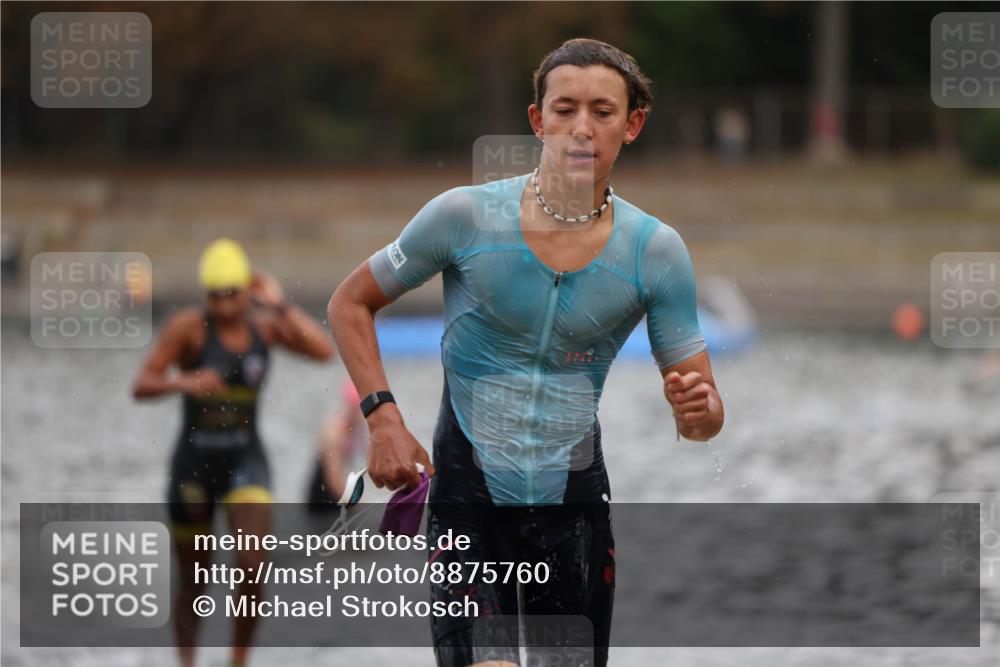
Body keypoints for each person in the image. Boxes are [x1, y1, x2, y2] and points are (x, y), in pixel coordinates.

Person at [328, 38, 724, 667]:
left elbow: (702, 420)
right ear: (538, 121)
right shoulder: (462, 218)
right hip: (467, 505)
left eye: (602, 111)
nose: (581, 129)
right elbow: (349, 302)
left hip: (573, 515)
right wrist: (382, 418)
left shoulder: (656, 252)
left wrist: (697, 411)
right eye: (564, 109)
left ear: (633, 125)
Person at [132, 238, 334, 667]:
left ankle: (237, 661)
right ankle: (185, 662)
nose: (222, 305)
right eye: (213, 295)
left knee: (252, 564)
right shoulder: (187, 328)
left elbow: (323, 351)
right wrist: (181, 382)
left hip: (246, 460)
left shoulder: (265, 327)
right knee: (193, 580)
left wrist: (281, 305)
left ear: (247, 290)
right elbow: (142, 384)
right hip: (193, 467)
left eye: (230, 294)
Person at [305, 378, 367, 511]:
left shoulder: (358, 431)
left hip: (340, 492)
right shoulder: (333, 432)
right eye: (356, 408)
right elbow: (332, 480)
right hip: (323, 498)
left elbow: (370, 462)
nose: (360, 415)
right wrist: (360, 504)